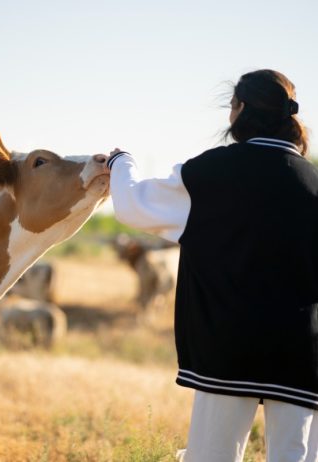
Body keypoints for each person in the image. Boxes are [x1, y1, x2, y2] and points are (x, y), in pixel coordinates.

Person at [107, 69, 318, 462]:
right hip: (302, 353)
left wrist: (121, 162)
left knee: (213, 456)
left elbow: (135, 204)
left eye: (231, 106)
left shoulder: (212, 172)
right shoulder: (313, 182)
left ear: (239, 110)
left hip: (228, 344)